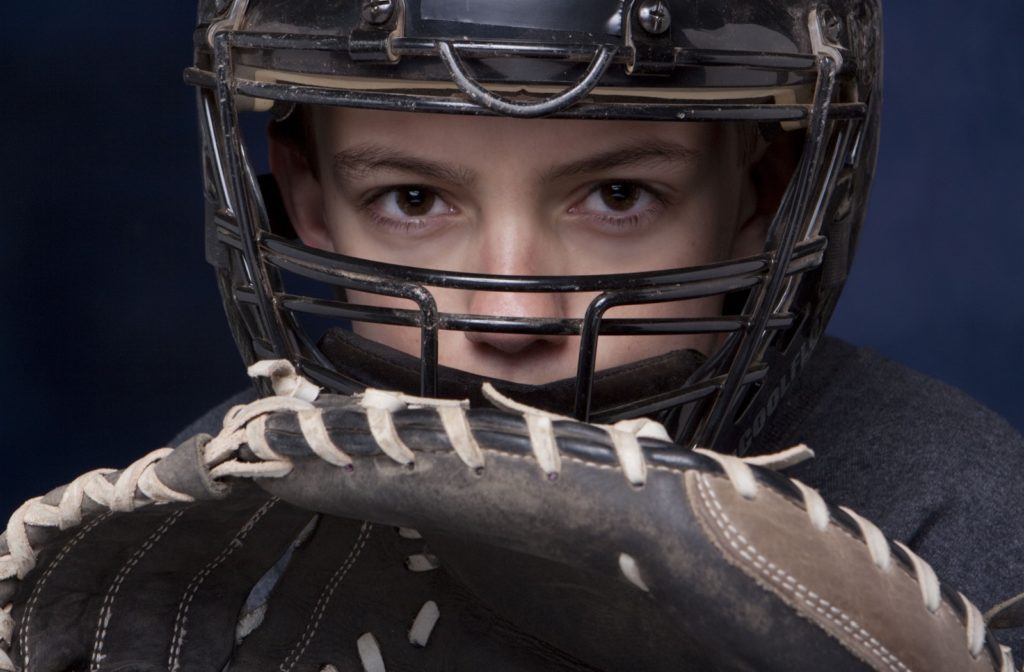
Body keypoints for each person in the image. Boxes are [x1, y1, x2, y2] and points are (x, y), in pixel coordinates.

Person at [2, 0, 1022, 669]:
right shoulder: (204, 532)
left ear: (764, 191)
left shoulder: (966, 518)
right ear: (306, 197)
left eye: (618, 195)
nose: (509, 311)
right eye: (412, 198)